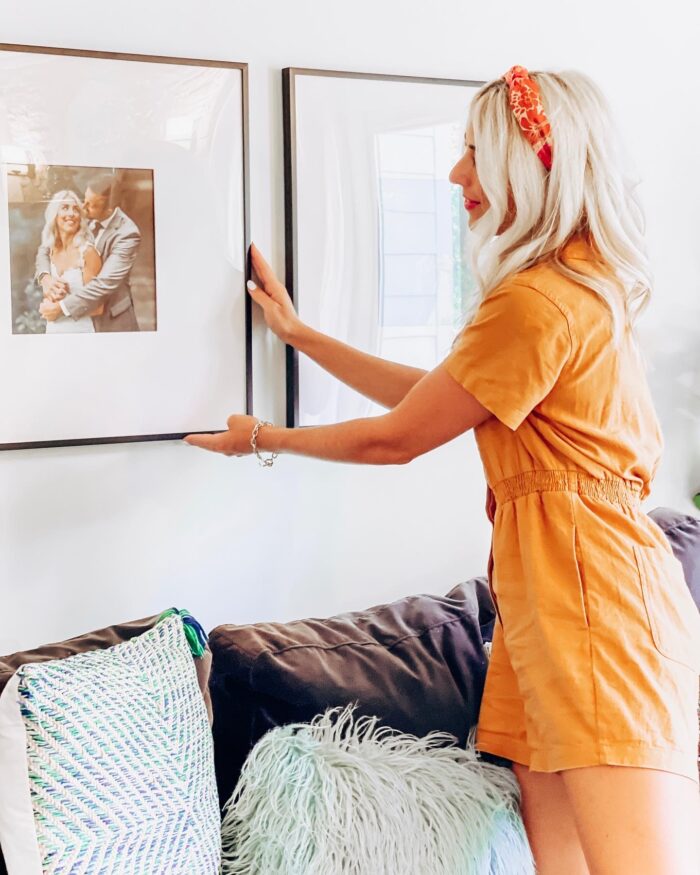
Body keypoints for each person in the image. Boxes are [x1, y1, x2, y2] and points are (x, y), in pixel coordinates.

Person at [185, 66, 700, 874]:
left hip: (598, 605)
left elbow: (398, 438)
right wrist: (303, 336)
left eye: (474, 153)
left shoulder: (539, 299)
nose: (457, 173)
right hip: (549, 607)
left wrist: (263, 438)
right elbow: (433, 399)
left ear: (531, 168)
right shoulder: (561, 288)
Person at [36, 174, 141, 332]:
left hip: (112, 320)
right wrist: (45, 277)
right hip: (75, 320)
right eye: (84, 200)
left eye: (91, 205)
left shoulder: (127, 234)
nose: (82, 208)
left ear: (110, 208)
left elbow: (102, 284)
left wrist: (60, 309)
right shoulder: (85, 216)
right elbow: (45, 248)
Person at [37, 190, 102, 334]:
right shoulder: (50, 251)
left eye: (76, 209)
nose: (71, 214)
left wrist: (59, 310)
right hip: (52, 331)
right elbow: (50, 291)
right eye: (65, 208)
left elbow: (98, 307)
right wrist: (47, 303)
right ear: (54, 215)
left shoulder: (87, 253)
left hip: (80, 332)